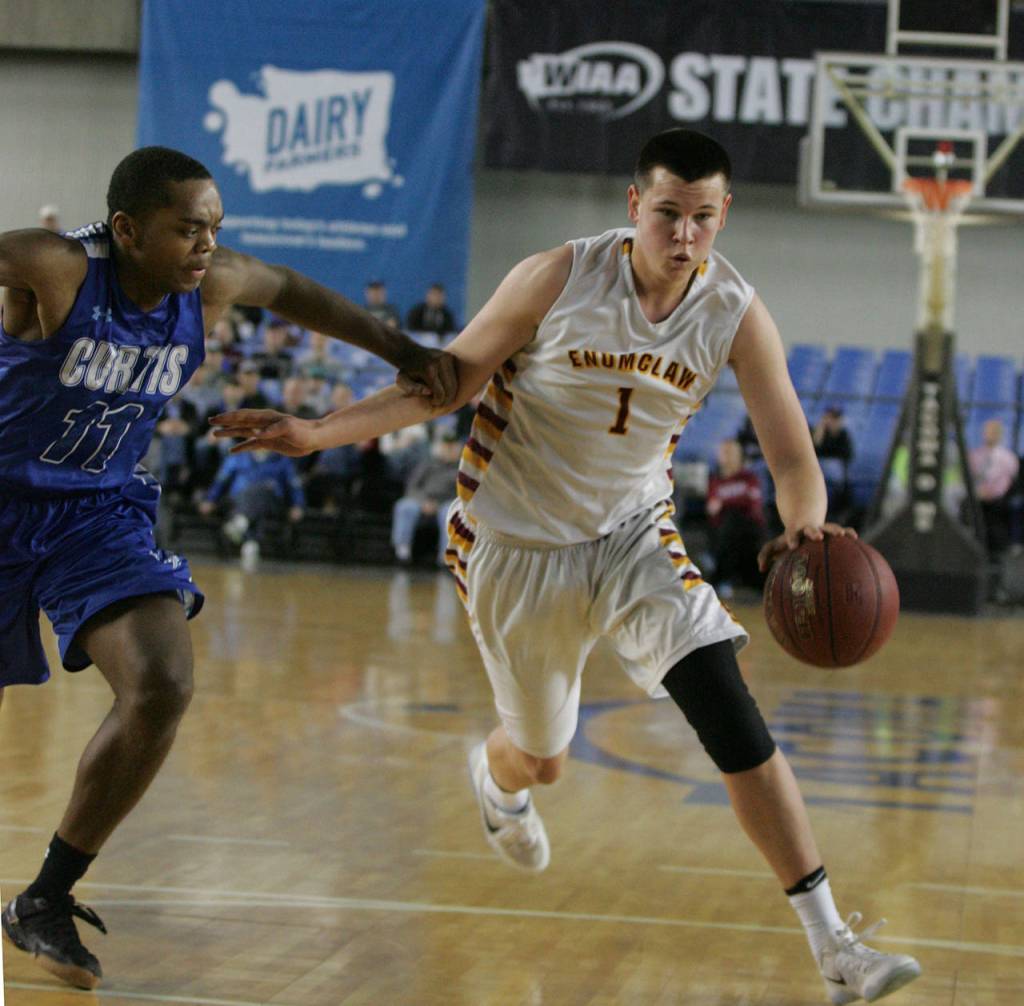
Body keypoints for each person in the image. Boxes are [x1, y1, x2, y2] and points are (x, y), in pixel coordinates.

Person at [212, 129, 921, 1004]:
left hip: (634, 538)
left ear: (723, 214)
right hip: (514, 547)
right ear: (635, 207)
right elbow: (445, 383)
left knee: (732, 718)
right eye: (668, 214)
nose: (685, 236)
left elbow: (792, 460)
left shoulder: (736, 309)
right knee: (541, 758)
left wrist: (805, 532)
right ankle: (497, 780)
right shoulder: (557, 276)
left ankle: (835, 946)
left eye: (703, 218)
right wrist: (318, 431)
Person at [0, 145, 455, 991]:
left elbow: (294, 289)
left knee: (163, 683)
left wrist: (400, 348)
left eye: (215, 226)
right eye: (188, 229)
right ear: (129, 229)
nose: (207, 245)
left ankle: (44, 901)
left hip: (96, 512)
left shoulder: (209, 285)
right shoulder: (55, 268)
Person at [704, 438, 765, 598]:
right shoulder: (714, 480)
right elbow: (712, 510)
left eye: (731, 452)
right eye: (725, 452)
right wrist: (733, 502)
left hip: (749, 530)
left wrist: (725, 503)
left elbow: (753, 504)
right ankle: (723, 578)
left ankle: (721, 578)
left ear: (739, 455)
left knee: (735, 520)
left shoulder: (749, 477)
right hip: (722, 531)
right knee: (730, 522)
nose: (728, 457)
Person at [391, 432, 462, 565]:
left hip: (446, 502)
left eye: (452, 446)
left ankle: (446, 557)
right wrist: (423, 502)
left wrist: (437, 503)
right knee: (404, 507)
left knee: (450, 513)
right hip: (421, 500)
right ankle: (402, 552)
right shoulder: (427, 464)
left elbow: (461, 494)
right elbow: (412, 486)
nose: (448, 449)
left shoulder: (461, 468)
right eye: (446, 445)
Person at [968, 418, 1019, 560]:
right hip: (978, 499)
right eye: (986, 432)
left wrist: (993, 493)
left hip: (998, 501)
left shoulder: (1008, 458)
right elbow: (971, 478)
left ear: (999, 434)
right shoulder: (975, 456)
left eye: (992, 432)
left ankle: (996, 557)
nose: (988, 435)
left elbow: (1008, 482)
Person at [811, 405, 854, 522]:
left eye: (835, 418)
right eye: (830, 417)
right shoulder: (818, 432)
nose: (832, 421)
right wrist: (820, 431)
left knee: (835, 468)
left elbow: (848, 455)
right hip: (819, 468)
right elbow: (813, 451)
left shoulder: (843, 434)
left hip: (836, 470)